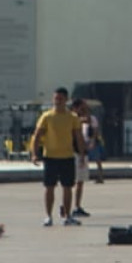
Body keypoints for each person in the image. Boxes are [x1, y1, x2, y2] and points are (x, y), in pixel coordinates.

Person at [30, 87, 87, 227]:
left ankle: (67, 217)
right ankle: (48, 216)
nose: (58, 101)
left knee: (67, 187)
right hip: (50, 157)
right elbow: (37, 136)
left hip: (67, 156)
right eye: (56, 98)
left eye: (61, 99)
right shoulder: (46, 116)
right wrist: (34, 154)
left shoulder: (72, 117)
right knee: (49, 187)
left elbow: (78, 137)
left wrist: (82, 155)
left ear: (66, 100)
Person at [69, 101, 94, 218]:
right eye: (81, 108)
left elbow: (89, 122)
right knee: (72, 181)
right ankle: (68, 206)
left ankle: (77, 205)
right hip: (74, 152)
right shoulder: (72, 119)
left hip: (82, 152)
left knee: (80, 181)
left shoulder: (82, 119)